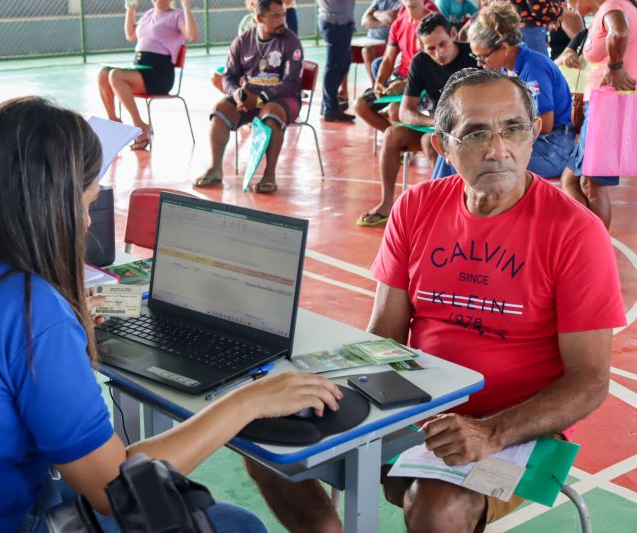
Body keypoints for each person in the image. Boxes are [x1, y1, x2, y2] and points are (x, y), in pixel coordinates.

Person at [0, 96, 342, 532]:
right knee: (238, 525)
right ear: (46, 204)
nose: (84, 220)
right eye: (85, 203)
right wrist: (245, 402)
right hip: (3, 522)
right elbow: (114, 489)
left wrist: (62, 327)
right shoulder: (29, 310)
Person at [245, 68, 625, 532]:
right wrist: (328, 382)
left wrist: (490, 432)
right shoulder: (416, 207)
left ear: (534, 135)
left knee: (437, 505)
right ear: (443, 146)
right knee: (263, 429)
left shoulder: (575, 232)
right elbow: (384, 332)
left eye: (513, 129)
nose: (498, 149)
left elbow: (589, 382)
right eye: (476, 132)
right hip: (416, 406)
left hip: (520, 426)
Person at [357, 13, 477, 227]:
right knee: (392, 134)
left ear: (452, 34)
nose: (438, 53)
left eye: (442, 44)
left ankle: (446, 207)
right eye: (431, 49)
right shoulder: (420, 62)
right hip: (434, 125)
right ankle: (386, 203)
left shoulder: (473, 56)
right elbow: (405, 112)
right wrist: (433, 122)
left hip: (465, 128)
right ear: (421, 46)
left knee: (429, 143)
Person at [433, 1, 576, 180]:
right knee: (452, 146)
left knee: (471, 156)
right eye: (476, 57)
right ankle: (438, 202)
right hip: (527, 142)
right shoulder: (505, 70)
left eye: (483, 56)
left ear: (503, 48)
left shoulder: (533, 67)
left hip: (553, 148)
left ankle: (444, 204)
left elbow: (545, 125)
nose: (480, 63)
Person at [193, 0, 304, 194]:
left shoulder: (290, 41)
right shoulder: (242, 41)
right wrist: (237, 94)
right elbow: (228, 76)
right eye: (276, 16)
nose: (282, 20)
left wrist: (260, 98)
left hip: (281, 98)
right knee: (220, 110)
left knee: (271, 114)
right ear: (259, 18)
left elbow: (292, 82)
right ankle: (215, 169)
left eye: (283, 15)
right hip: (250, 96)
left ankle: (269, 175)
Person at [560, 0, 637, 229]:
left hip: (606, 109)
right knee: (571, 179)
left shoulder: (612, 5)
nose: (567, 4)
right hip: (601, 107)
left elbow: (620, 31)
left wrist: (615, 68)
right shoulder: (614, 8)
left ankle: (597, 245)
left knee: (591, 183)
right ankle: (589, 236)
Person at [97, 0, 199, 150]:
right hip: (140, 69)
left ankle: (140, 127)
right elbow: (131, 35)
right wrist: (131, 9)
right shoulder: (148, 15)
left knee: (115, 76)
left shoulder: (177, 16)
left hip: (159, 74)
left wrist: (186, 6)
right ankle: (114, 122)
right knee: (103, 73)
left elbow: (192, 35)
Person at [354, 0, 437, 133]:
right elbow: (388, 58)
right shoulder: (398, 23)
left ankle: (403, 140)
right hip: (401, 77)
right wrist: (379, 82)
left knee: (395, 110)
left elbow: (436, 64)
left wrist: (406, 84)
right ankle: (398, 142)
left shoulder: (433, 22)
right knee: (360, 105)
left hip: (425, 82)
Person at [317, 0, 357, 121]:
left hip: (341, 22)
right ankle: (330, 107)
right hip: (335, 23)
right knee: (334, 65)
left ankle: (328, 103)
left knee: (344, 62)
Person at [210, 0, 258, 92]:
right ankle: (237, 99)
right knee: (216, 76)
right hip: (244, 65)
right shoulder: (246, 21)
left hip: (260, 71)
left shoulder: (275, 21)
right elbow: (240, 47)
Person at [359, 0, 402, 83]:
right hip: (371, 40)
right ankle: (374, 85)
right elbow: (364, 21)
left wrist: (375, 14)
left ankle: (377, 84)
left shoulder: (403, 2)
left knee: (367, 50)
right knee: (363, 49)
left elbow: (391, 18)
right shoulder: (379, 1)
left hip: (389, 42)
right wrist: (384, 22)